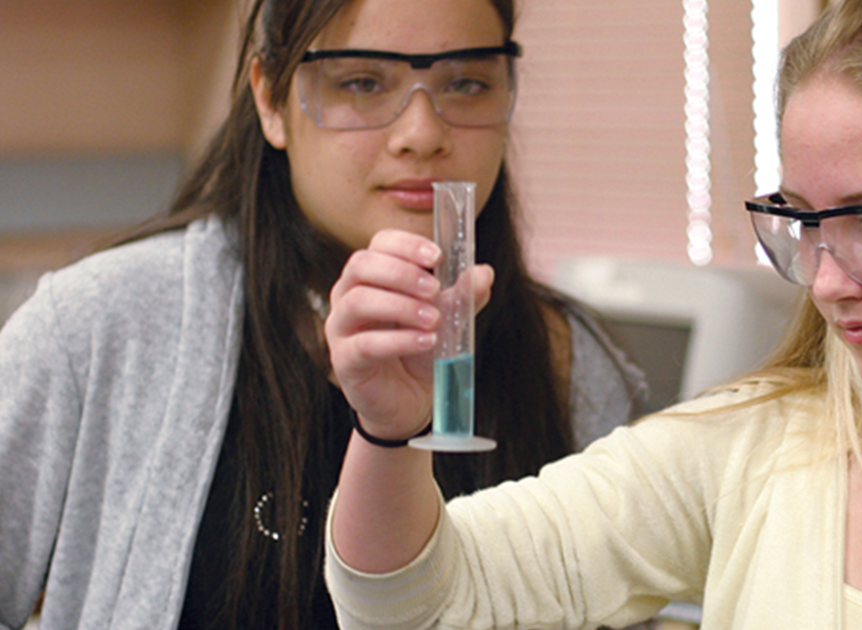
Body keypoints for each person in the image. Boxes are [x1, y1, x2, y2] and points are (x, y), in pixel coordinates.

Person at [322, 0, 862, 627]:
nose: (824, 282)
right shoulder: (750, 452)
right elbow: (421, 602)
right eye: (803, 222)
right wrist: (389, 432)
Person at [0, 0, 646, 627]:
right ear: (270, 98)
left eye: (467, 82)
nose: (423, 134)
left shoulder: (569, 362)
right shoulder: (101, 325)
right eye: (363, 82)